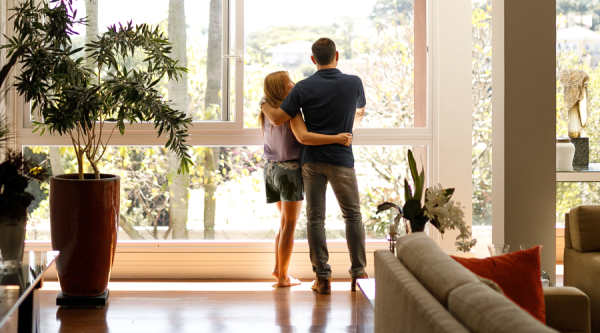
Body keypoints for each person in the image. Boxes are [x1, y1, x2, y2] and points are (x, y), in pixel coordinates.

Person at [261, 38, 367, 294]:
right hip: (341, 159)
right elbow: (360, 111)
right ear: (337, 55)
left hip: (310, 163)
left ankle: (322, 278)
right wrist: (345, 127)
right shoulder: (354, 82)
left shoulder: (302, 88)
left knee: (314, 220)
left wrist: (263, 103)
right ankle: (359, 275)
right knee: (352, 216)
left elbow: (278, 118)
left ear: (312, 59)